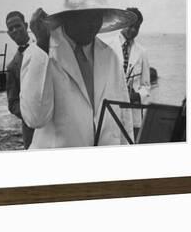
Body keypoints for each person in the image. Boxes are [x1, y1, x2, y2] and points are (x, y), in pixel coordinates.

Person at [20, 8, 134, 149]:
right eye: (85, 17)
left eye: (97, 17)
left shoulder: (110, 56)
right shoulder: (40, 53)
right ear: (67, 17)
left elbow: (124, 117)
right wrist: (43, 44)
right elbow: (35, 118)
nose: (92, 25)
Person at [109, 8, 150, 139]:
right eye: (130, 26)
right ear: (122, 22)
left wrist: (137, 96)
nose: (133, 30)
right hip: (112, 109)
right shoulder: (108, 46)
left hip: (134, 115)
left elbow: (146, 86)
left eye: (137, 27)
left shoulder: (142, 52)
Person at [5, 11, 34, 149]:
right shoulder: (11, 67)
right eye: (11, 29)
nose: (15, 30)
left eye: (18, 26)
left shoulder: (46, 47)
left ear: (26, 25)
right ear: (8, 34)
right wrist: (31, 114)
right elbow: (13, 103)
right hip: (32, 129)